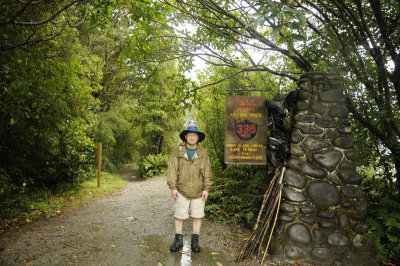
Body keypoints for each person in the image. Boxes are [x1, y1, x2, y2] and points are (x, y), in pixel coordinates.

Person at [167, 124, 213, 253]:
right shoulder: (178, 151)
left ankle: (195, 241)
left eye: (194, 135)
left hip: (199, 191)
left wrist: (206, 189)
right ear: (186, 136)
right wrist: (173, 187)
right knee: (179, 215)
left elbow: (207, 172)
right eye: (190, 135)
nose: (192, 137)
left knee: (197, 215)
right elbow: (172, 170)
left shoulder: (203, 153)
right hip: (181, 189)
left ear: (198, 138)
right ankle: (178, 240)